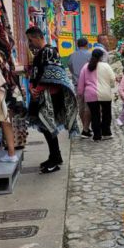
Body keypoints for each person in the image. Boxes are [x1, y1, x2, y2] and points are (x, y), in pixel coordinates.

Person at [26, 26, 79, 174]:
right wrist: (32, 86)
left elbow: (52, 74)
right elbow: (36, 73)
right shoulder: (40, 53)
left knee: (49, 127)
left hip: (50, 96)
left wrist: (38, 89)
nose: (30, 43)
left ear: (37, 37)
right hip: (41, 94)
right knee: (45, 127)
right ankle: (55, 156)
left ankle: (55, 160)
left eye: (30, 40)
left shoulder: (49, 52)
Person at [77, 48, 116, 141]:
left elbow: (81, 82)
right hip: (105, 94)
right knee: (106, 114)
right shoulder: (106, 66)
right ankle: (106, 133)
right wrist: (111, 85)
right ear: (101, 57)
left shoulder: (86, 66)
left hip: (90, 95)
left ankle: (97, 135)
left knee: (95, 115)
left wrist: (80, 93)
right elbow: (112, 79)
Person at [68, 37, 93, 138]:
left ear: (77, 45)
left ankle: (85, 127)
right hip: (88, 84)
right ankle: (86, 129)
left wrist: (75, 75)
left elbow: (70, 67)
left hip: (77, 84)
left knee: (81, 106)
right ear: (87, 44)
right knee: (88, 107)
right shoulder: (90, 55)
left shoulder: (72, 55)